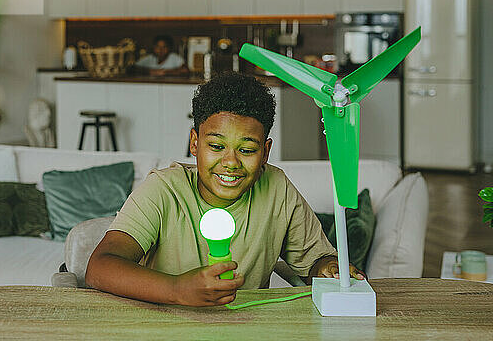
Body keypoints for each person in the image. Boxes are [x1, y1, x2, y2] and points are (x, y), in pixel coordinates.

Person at [86, 73, 365, 307]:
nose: (230, 163)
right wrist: (177, 289)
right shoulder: (164, 189)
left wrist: (328, 268)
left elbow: (316, 261)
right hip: (164, 328)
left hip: (246, 328)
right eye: (216, 147)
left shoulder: (277, 188)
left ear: (265, 151)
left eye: (246, 150)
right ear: (194, 143)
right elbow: (100, 267)